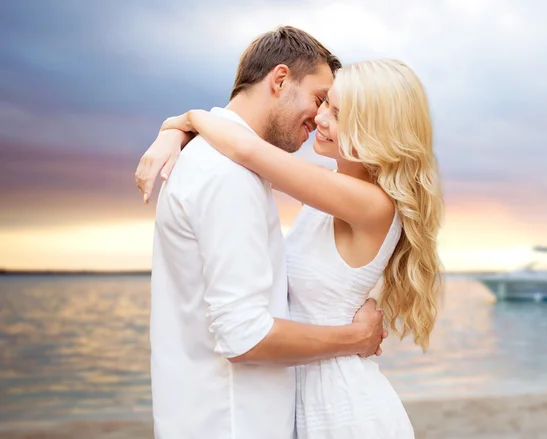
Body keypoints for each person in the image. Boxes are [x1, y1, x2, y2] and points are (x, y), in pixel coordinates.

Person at [137, 56, 443, 438]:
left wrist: (187, 120)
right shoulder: (332, 188)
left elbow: (249, 152)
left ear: (375, 128)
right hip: (309, 398)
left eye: (337, 111)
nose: (320, 118)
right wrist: (174, 132)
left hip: (346, 409)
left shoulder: (371, 204)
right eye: (325, 103)